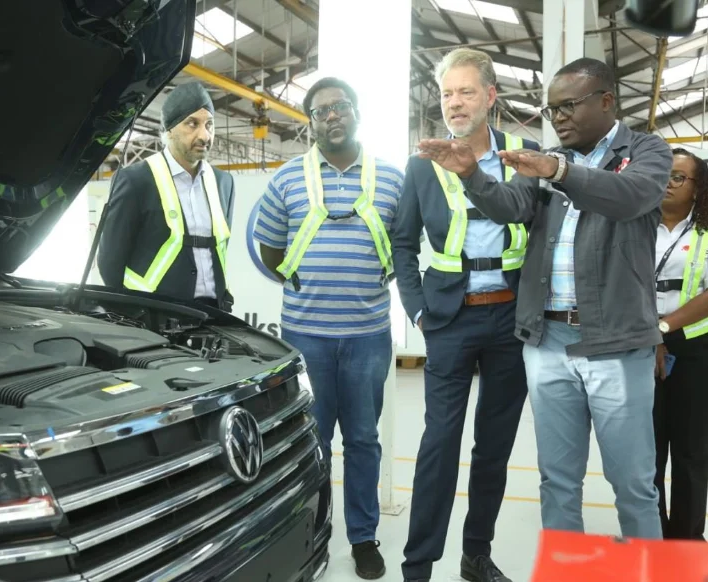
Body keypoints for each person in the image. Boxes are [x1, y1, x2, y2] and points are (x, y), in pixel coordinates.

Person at [416, 57, 673, 540]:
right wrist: (472, 175)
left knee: (633, 485)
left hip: (615, 343)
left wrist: (558, 171)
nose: (558, 119)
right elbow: (513, 207)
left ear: (606, 101)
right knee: (558, 480)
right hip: (547, 340)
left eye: (568, 106)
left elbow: (629, 197)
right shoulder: (549, 159)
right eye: (551, 110)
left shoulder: (646, 151)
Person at [393, 48, 539, 582]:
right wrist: (418, 310)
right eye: (447, 93)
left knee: (494, 448)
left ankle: (476, 555)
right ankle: (418, 566)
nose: (454, 103)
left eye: (466, 92)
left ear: (491, 96)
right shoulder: (421, 165)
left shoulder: (525, 154)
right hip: (450, 320)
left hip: (511, 320)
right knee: (439, 444)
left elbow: (534, 224)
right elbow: (403, 244)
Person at [252, 77, 403, 580]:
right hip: (305, 337)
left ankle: (363, 537)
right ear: (311, 123)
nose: (331, 117)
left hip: (367, 337)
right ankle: (312, 531)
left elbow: (404, 247)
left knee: (362, 439)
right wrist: (304, 283)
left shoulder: (392, 179)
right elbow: (269, 248)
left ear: (357, 112)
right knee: (311, 442)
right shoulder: (287, 179)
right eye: (320, 112)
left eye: (340, 107)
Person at [97, 81, 236, 311]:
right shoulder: (135, 180)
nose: (204, 134)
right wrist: (129, 315)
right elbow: (110, 262)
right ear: (169, 129)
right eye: (192, 124)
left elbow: (220, 249)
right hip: (152, 315)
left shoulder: (224, 182)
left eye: (209, 124)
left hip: (213, 314)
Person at [653, 148, 708, 540]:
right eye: (661, 175)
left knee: (690, 452)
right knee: (647, 455)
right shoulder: (634, 225)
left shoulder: (705, 231)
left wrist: (665, 327)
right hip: (640, 349)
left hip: (693, 351)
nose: (667, 183)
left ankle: (687, 540)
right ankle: (651, 534)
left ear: (696, 187)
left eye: (677, 177)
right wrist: (650, 335)